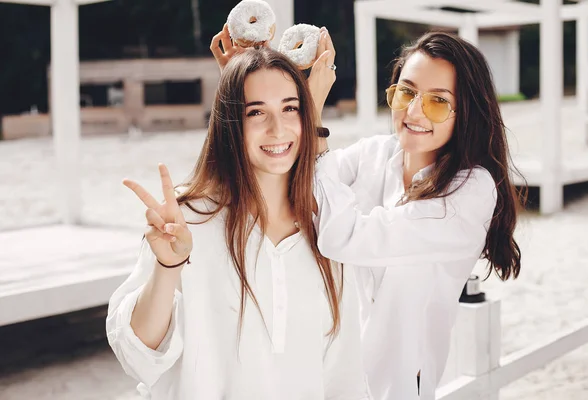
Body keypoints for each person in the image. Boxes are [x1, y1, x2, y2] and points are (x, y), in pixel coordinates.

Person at [106, 48, 371, 400]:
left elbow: (344, 375)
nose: (278, 128)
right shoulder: (188, 220)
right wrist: (168, 265)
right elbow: (138, 354)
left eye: (290, 108)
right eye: (256, 112)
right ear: (230, 124)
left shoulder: (329, 231)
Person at [311, 32, 524, 400]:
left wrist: (314, 115)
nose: (413, 112)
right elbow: (299, 183)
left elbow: (342, 236)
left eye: (438, 102)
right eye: (406, 92)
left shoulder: (471, 191)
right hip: (328, 379)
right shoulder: (373, 155)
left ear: (466, 113)